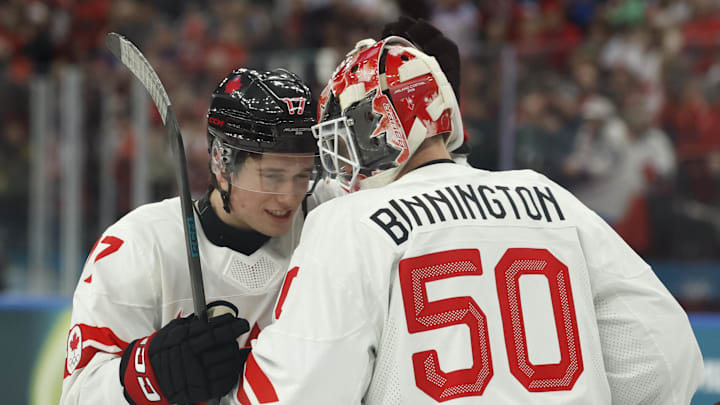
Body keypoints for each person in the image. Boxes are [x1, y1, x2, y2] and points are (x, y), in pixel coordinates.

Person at [228, 26, 704, 404]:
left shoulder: (348, 222)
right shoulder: (548, 197)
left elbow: (295, 393)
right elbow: (666, 357)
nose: (338, 156)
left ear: (379, 130)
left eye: (341, 134)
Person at [60, 68, 327, 405]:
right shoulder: (139, 246)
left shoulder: (325, 217)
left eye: (303, 175)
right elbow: (80, 397)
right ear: (222, 162)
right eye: (272, 177)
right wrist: (151, 374)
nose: (290, 196)